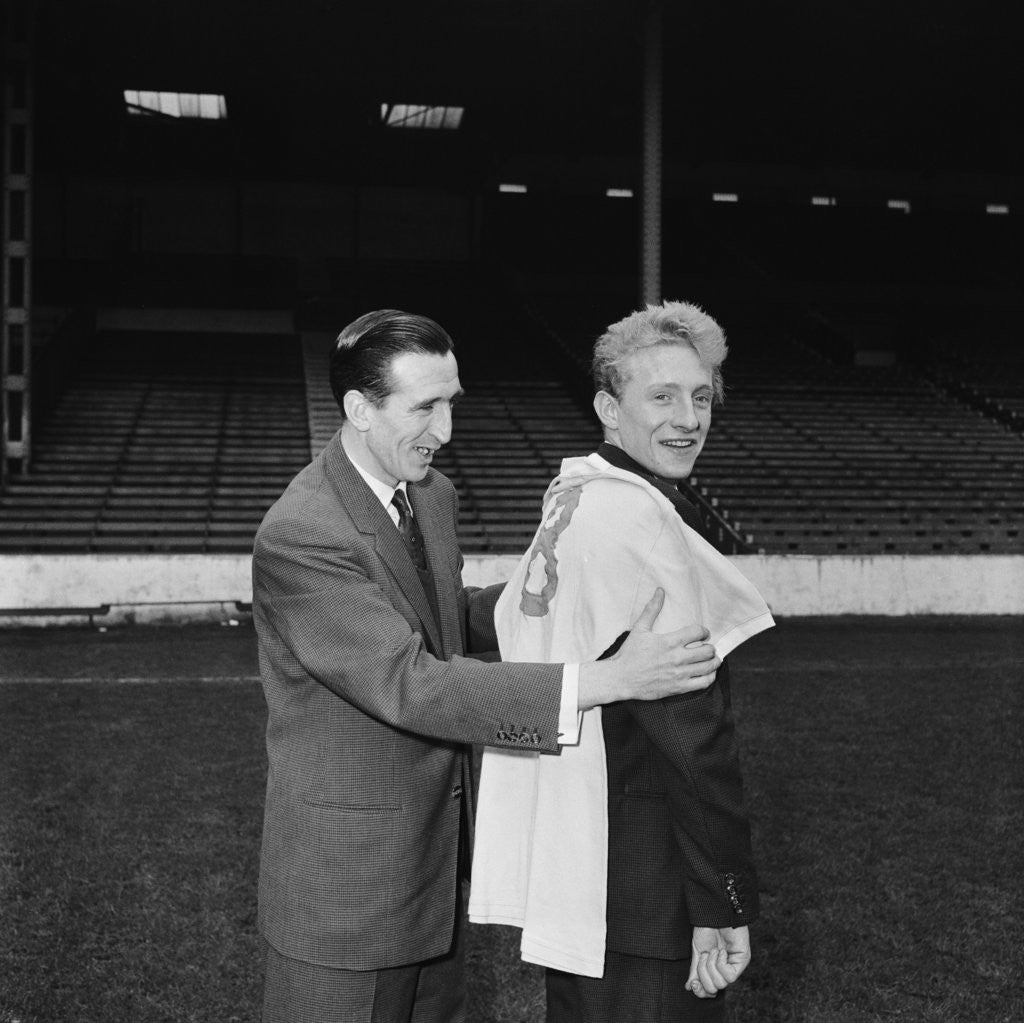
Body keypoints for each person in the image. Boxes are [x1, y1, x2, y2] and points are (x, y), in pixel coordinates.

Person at [251, 308, 727, 1023]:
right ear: (358, 409)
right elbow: (409, 681)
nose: (445, 430)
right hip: (346, 885)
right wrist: (604, 679)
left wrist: (569, 573)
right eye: (425, 407)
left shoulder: (428, 495)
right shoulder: (302, 532)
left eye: (451, 403)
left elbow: (449, 613)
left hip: (433, 868)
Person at [469, 300, 774, 1022]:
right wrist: (724, 897)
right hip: (646, 884)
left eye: (701, 397)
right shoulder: (635, 517)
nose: (689, 418)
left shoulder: (577, 493)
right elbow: (693, 740)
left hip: (579, 866)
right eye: (661, 396)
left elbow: (509, 609)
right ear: (609, 407)